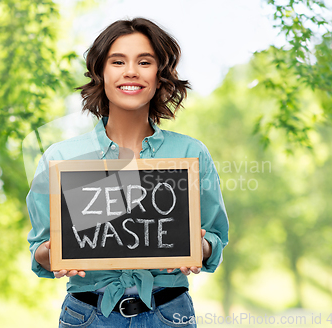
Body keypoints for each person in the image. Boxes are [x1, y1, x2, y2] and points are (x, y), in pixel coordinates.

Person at [27, 17, 229, 327]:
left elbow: (215, 237)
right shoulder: (63, 159)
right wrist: (54, 253)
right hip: (87, 315)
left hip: (169, 314)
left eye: (144, 62)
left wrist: (198, 247)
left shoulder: (190, 154)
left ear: (160, 75)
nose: (131, 71)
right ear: (101, 73)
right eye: (118, 61)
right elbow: (40, 249)